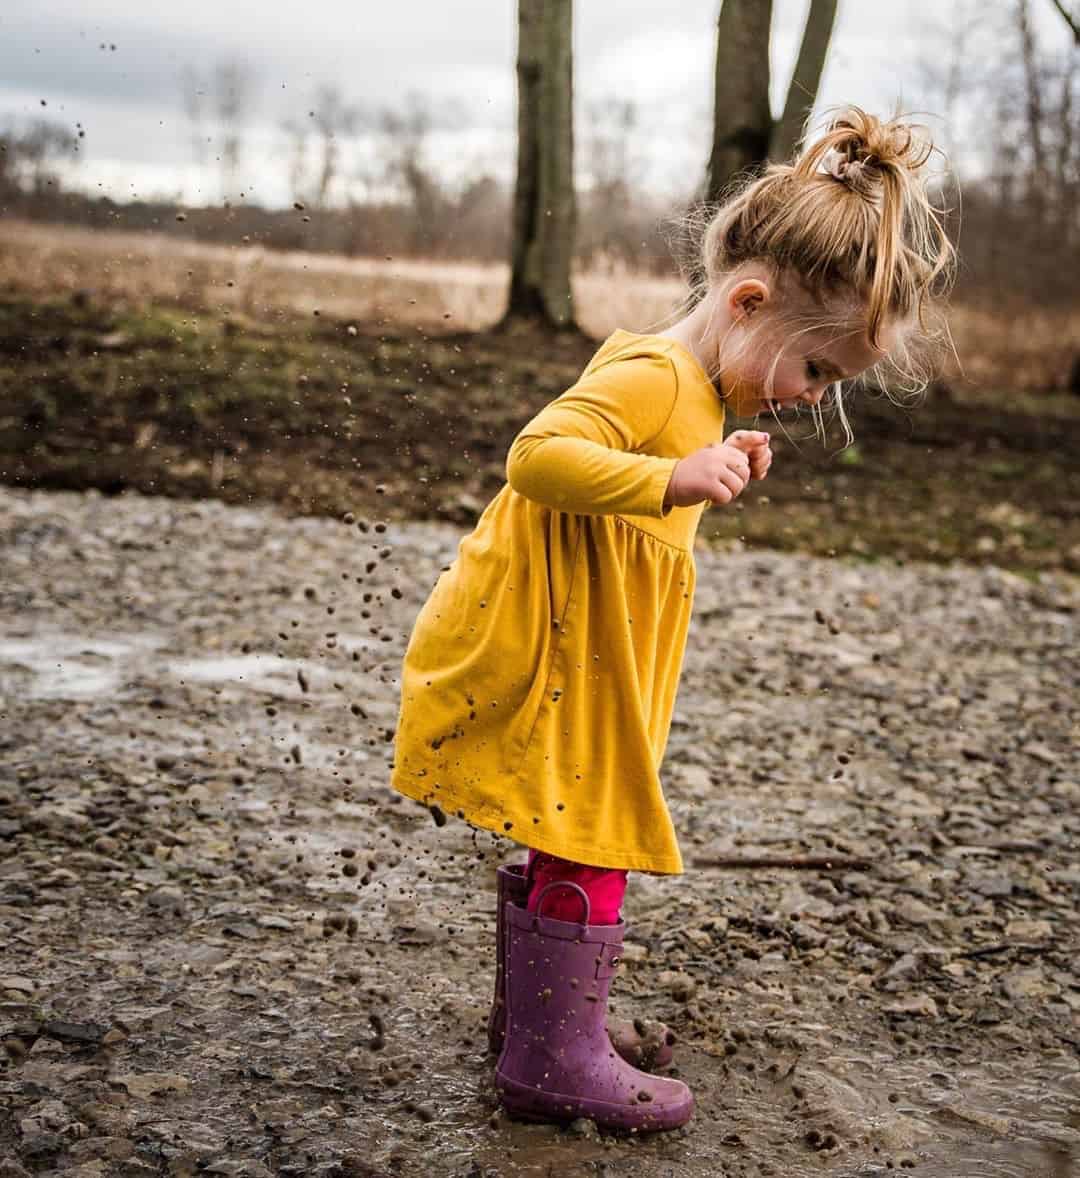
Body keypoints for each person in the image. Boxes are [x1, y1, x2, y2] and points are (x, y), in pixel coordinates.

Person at [389, 107, 955, 1133]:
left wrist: (707, 459)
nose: (812, 397)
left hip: (591, 657)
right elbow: (536, 455)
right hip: (555, 654)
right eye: (816, 371)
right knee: (593, 830)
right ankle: (554, 1057)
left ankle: (539, 1027)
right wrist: (670, 475)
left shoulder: (698, 390)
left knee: (576, 825)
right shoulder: (655, 377)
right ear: (746, 301)